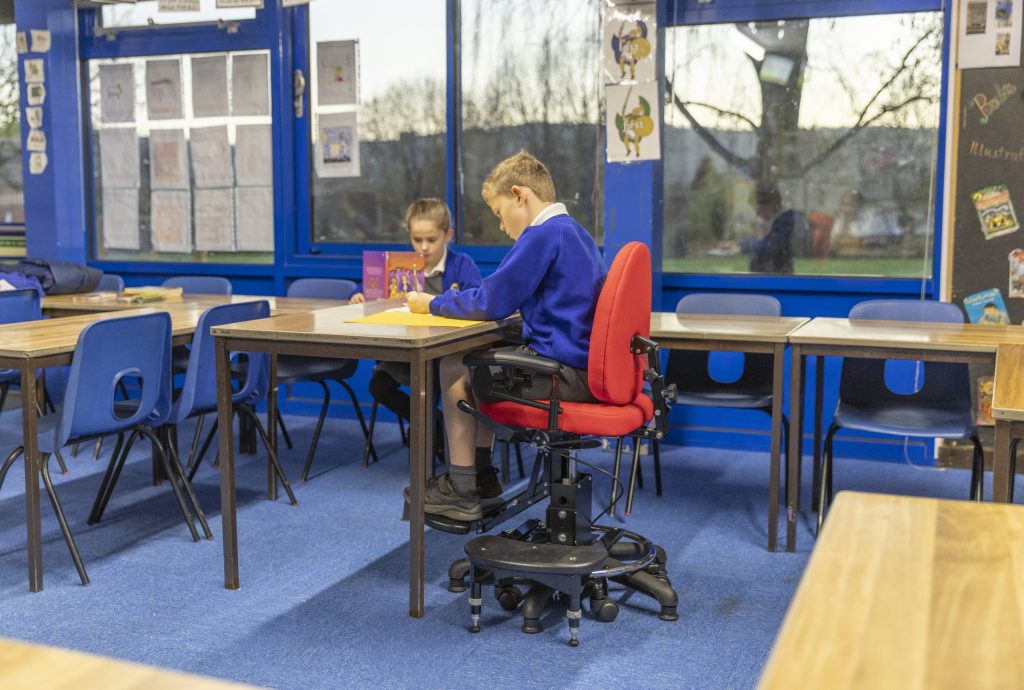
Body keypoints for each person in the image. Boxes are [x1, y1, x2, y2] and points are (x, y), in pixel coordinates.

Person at [403, 150, 606, 521]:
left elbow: (489, 300)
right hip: (582, 371)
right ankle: (483, 480)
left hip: (563, 378)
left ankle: (463, 488)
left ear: (519, 195)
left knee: (454, 366)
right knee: (481, 364)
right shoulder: (576, 233)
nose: (501, 227)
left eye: (499, 214)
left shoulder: (542, 235)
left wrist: (431, 304)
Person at [348, 199, 482, 436]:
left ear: (447, 234)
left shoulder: (462, 265)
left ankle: (429, 436)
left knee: (429, 385)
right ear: (408, 235)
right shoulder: (397, 267)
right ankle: (435, 425)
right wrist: (357, 295)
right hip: (405, 349)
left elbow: (474, 298)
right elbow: (367, 288)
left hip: (443, 352)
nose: (424, 247)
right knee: (378, 387)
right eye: (417, 240)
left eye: (431, 240)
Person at [744, 183, 806, 274]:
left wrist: (744, 244)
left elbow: (768, 249)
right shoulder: (779, 220)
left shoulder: (786, 220)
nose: (759, 215)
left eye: (760, 211)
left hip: (778, 277)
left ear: (772, 205)